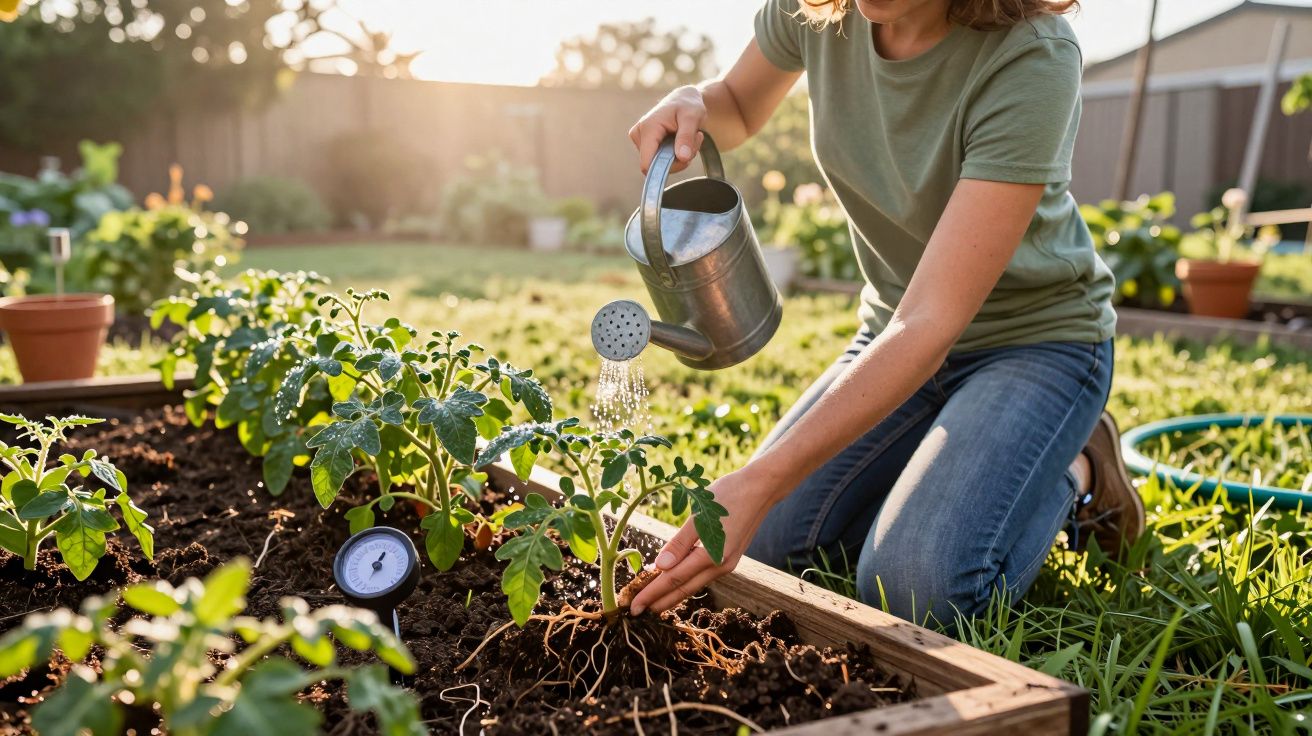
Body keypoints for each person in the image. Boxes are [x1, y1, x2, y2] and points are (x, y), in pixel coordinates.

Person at [626, 0, 1145, 626]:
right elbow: (737, 104)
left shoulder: (1031, 53)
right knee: (764, 548)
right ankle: (945, 462)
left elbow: (930, 321)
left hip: (1034, 345)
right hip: (891, 338)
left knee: (915, 588)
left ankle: (1078, 465)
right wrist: (693, 102)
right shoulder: (818, 10)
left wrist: (762, 477)